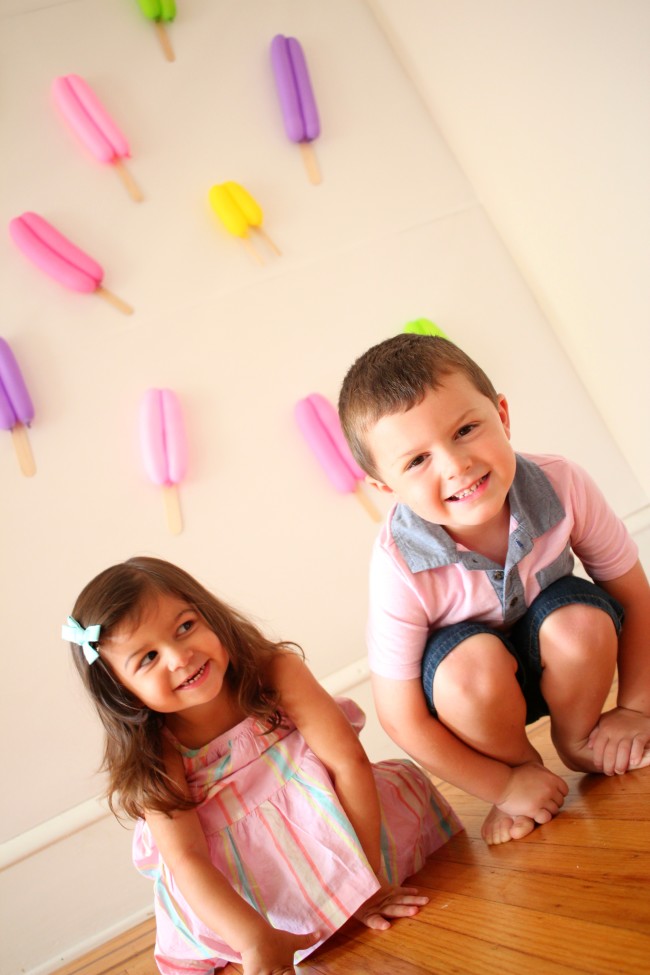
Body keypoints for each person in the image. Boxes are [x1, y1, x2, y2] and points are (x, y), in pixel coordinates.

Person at [62, 556, 462, 975]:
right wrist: (253, 937)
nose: (179, 658)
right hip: (248, 883)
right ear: (121, 692)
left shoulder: (274, 671)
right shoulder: (157, 750)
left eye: (185, 628)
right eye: (147, 658)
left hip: (345, 827)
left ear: (210, 616)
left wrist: (367, 882)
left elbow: (348, 762)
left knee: (402, 786)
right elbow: (187, 860)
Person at [338, 332, 650, 846]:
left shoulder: (561, 483)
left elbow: (636, 599)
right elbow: (401, 718)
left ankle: (578, 739)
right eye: (416, 461)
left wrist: (635, 708)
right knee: (466, 668)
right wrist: (502, 786)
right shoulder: (398, 564)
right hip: (476, 695)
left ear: (502, 416)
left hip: (565, 661)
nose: (455, 465)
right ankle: (525, 770)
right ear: (385, 488)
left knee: (582, 619)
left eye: (465, 429)